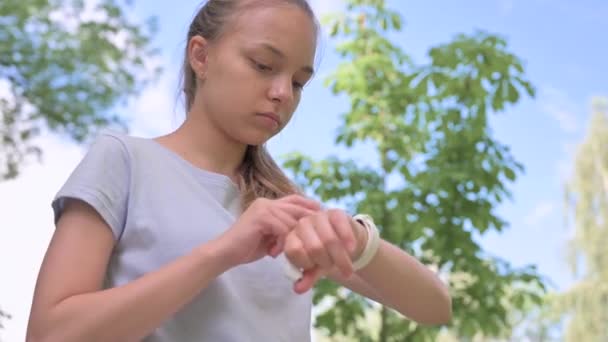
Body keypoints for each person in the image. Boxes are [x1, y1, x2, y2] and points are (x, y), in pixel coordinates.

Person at [26, 0, 452, 341]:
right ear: (201, 56)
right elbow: (50, 334)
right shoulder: (124, 160)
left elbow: (435, 306)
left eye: (299, 81)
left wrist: (356, 238)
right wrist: (223, 251)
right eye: (264, 65)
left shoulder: (284, 208)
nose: (282, 93)